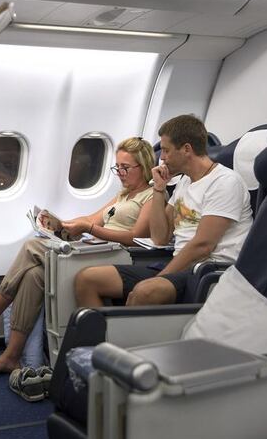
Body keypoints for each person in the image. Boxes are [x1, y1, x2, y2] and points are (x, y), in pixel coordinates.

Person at [0, 137, 156, 377]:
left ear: (144, 166)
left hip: (114, 258)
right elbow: (90, 219)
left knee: (31, 247)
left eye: (125, 167)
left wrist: (89, 230)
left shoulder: (150, 197)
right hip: (94, 249)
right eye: (117, 167)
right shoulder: (123, 195)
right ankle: (11, 356)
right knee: (33, 275)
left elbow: (135, 237)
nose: (119, 172)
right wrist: (60, 225)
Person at [75, 114, 253, 308]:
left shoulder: (225, 183)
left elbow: (203, 246)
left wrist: (160, 277)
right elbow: (160, 237)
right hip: (179, 264)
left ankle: (120, 336)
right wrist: (159, 189)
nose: (162, 157)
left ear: (186, 149)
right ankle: (103, 336)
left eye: (166, 150)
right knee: (87, 280)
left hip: (207, 271)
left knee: (145, 291)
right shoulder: (185, 182)